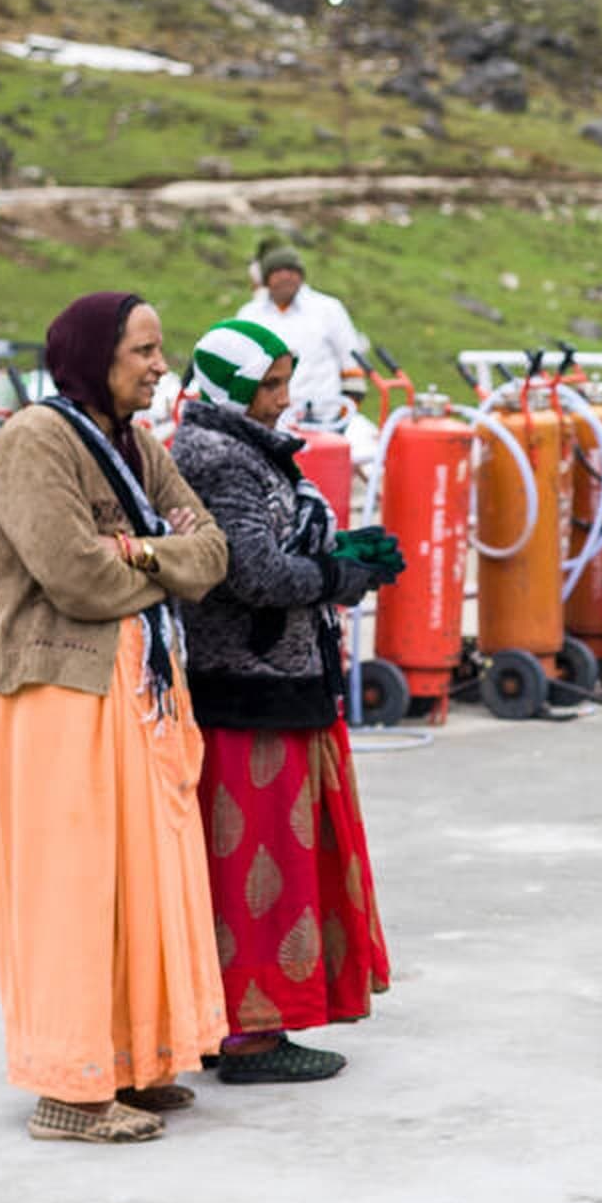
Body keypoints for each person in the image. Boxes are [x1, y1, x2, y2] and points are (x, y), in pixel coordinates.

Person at [0, 291, 229, 1144]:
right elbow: (74, 578)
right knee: (73, 888)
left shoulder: (138, 445)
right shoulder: (34, 441)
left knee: (142, 881)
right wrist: (163, 554)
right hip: (61, 696)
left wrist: (138, 549)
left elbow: (215, 553)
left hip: (137, 691)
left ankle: (129, 1062)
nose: (161, 367)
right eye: (144, 352)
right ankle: (67, 1089)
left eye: (160, 351)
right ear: (95, 356)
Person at [169, 319, 405, 1084]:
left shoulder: (248, 447)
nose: (281, 398)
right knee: (252, 864)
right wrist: (341, 575)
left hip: (282, 682)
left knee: (275, 858)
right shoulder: (214, 454)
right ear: (229, 390)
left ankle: (250, 1023)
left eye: (283, 382)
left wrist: (337, 558)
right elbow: (256, 574)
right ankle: (249, 1035)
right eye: (267, 386)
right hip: (248, 692)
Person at [235, 244, 369, 442]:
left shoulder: (328, 309)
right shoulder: (249, 315)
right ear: (266, 279)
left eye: (292, 270)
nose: (287, 276)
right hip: (269, 425)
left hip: (324, 423)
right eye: (279, 271)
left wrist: (342, 420)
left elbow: (352, 367)